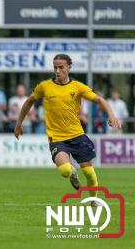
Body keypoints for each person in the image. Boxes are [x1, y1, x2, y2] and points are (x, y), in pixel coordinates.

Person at [14, 54, 121, 206]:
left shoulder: (77, 87)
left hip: (77, 135)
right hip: (57, 138)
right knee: (65, 170)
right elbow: (29, 102)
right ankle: (72, 173)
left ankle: (94, 200)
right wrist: (19, 123)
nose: (57, 71)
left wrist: (111, 114)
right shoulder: (44, 86)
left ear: (69, 68)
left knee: (89, 173)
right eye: (55, 67)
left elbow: (99, 100)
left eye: (61, 67)